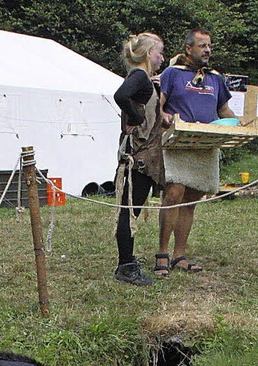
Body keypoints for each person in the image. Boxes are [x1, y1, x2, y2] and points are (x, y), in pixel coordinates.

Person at [155, 29, 236, 277]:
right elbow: (158, 106)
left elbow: (225, 111)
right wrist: (164, 117)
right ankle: (162, 254)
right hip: (178, 143)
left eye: (209, 46)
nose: (207, 50)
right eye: (202, 46)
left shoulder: (215, 78)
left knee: (191, 200)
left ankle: (180, 255)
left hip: (205, 145)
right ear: (189, 49)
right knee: (174, 194)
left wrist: (243, 125)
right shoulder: (172, 74)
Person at [113, 32, 166, 287]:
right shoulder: (139, 77)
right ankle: (126, 266)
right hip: (139, 155)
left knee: (130, 209)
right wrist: (135, 118)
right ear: (148, 54)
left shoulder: (145, 80)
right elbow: (121, 96)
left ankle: (127, 262)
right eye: (159, 53)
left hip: (140, 153)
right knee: (129, 211)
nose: (162, 58)